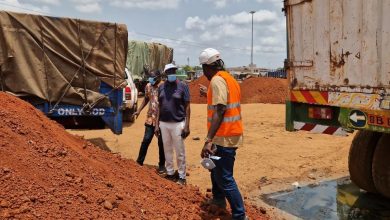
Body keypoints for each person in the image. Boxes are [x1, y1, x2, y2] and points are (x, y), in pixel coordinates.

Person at [199, 48, 247, 220]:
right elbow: (224, 102)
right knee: (214, 169)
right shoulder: (230, 79)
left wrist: (208, 140)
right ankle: (219, 200)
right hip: (230, 134)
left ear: (206, 67)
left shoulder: (217, 81)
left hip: (224, 137)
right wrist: (208, 95)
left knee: (225, 177)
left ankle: (240, 215)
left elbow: (220, 109)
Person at [155, 63, 191, 185]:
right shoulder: (161, 87)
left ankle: (182, 176)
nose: (171, 73)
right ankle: (170, 173)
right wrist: (156, 124)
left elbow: (187, 106)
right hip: (163, 124)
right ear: (166, 74)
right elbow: (159, 106)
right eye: (169, 71)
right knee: (167, 150)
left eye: (173, 71)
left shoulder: (182, 86)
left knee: (180, 151)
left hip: (178, 123)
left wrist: (187, 125)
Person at [133, 70, 166, 174]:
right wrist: (138, 110)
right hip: (150, 118)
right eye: (150, 78)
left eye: (153, 78)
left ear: (159, 78)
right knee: (146, 140)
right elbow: (146, 99)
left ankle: (161, 165)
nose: (151, 80)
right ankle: (139, 162)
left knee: (161, 143)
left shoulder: (164, 87)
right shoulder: (148, 86)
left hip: (161, 120)